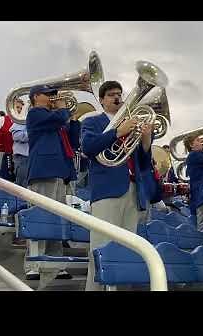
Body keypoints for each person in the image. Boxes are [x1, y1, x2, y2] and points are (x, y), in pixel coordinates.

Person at [81, 80, 153, 291]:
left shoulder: (133, 124)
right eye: (111, 94)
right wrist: (117, 132)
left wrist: (147, 140)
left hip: (133, 190)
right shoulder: (92, 122)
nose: (117, 97)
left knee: (126, 252)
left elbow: (144, 163)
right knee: (101, 248)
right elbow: (88, 147)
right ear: (102, 100)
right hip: (107, 191)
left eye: (120, 94)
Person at [25, 85, 80, 281]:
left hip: (60, 171)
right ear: (35, 97)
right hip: (43, 171)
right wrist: (64, 109)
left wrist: (73, 119)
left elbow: (74, 142)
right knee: (39, 218)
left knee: (58, 221)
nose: (52, 97)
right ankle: (34, 264)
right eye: (48, 94)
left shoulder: (56, 118)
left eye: (53, 95)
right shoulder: (35, 114)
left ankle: (56, 265)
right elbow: (57, 118)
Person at [9, 99, 29, 188]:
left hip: (30, 158)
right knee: (22, 188)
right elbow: (16, 136)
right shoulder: (22, 118)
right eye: (17, 107)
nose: (19, 110)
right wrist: (35, 132)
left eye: (20, 108)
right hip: (23, 158)